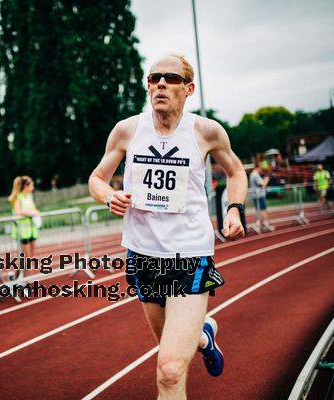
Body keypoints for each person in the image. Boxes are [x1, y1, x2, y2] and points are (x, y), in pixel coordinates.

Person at [88, 54, 247, 399]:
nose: (160, 83)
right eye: (154, 77)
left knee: (171, 370)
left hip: (189, 254)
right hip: (143, 254)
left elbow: (236, 171)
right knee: (171, 349)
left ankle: (198, 337)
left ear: (189, 89)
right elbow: (97, 178)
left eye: (171, 78)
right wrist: (108, 196)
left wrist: (234, 210)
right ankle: (204, 336)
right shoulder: (128, 130)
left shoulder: (206, 131)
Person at [249, 163, 275, 231]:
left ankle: (261, 224)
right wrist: (266, 179)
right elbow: (262, 185)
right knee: (263, 210)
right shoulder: (255, 175)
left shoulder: (252, 174)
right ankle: (265, 225)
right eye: (260, 168)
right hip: (259, 195)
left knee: (258, 210)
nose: (261, 169)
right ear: (257, 167)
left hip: (256, 195)